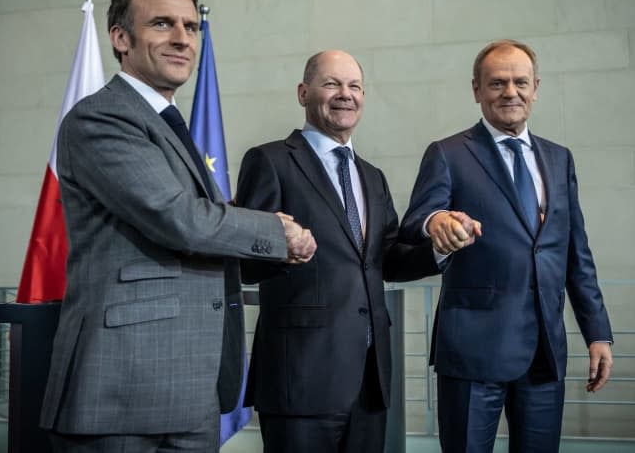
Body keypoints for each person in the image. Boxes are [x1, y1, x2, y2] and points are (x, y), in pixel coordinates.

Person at [39, 0, 316, 453]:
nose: (182, 39)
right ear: (120, 39)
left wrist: (279, 250)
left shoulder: (168, 123)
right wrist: (274, 230)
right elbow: (176, 217)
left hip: (190, 389)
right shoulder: (102, 118)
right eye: (163, 24)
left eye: (191, 27)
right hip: (126, 390)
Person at [399, 39, 614, 453]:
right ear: (477, 90)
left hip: (544, 351)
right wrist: (437, 221)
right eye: (497, 83)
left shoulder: (559, 159)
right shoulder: (448, 154)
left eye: (520, 82)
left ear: (536, 88)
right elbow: (413, 223)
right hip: (472, 351)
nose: (510, 92)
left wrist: (598, 333)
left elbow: (576, 254)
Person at [236, 50, 438, 453]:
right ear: (303, 92)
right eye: (332, 84)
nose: (345, 94)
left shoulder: (372, 176)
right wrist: (279, 244)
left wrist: (440, 251)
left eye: (354, 86)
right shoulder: (271, 161)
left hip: (369, 380)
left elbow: (388, 260)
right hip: (301, 380)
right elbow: (244, 261)